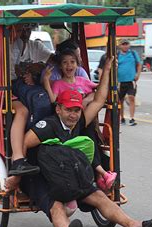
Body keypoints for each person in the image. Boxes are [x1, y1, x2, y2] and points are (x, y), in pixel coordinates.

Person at [6, 56, 152, 227]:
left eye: (77, 111)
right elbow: (24, 144)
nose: (73, 115)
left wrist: (106, 71)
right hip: (40, 177)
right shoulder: (47, 126)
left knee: (99, 196)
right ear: (58, 108)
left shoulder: (79, 122)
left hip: (70, 174)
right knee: (55, 207)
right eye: (69, 110)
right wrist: (17, 177)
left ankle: (134, 226)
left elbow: (98, 100)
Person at [0, 9, 52, 176]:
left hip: (12, 87)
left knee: (38, 101)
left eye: (22, 30)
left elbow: (17, 69)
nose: (21, 34)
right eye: (18, 30)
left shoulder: (18, 43)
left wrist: (34, 70)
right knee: (22, 111)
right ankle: (18, 159)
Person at [43, 49, 116, 191]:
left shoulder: (83, 81)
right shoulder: (58, 84)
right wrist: (46, 81)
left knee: (90, 134)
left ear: (77, 65)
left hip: (81, 120)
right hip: (65, 122)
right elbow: (53, 102)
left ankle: (100, 173)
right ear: (60, 66)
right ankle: (100, 173)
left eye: (72, 62)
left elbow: (99, 94)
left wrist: (106, 70)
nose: (69, 65)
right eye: (65, 62)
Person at [117, 39, 141, 126]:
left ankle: (132, 118)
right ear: (120, 46)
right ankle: (122, 118)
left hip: (131, 81)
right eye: (123, 44)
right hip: (120, 81)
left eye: (127, 44)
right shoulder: (117, 55)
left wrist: (138, 74)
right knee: (120, 100)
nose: (125, 46)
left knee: (131, 98)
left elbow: (139, 64)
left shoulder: (133, 54)